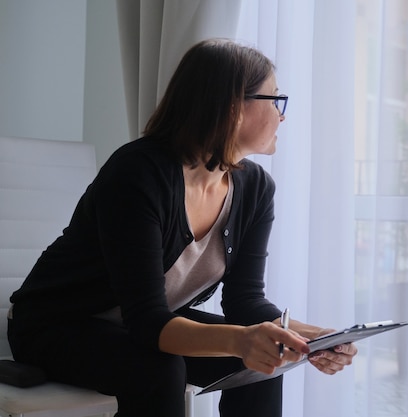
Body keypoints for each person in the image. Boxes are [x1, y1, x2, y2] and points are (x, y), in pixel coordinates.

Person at [7, 38, 357, 417]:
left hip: (140, 322)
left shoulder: (255, 189)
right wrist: (243, 340)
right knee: (159, 367)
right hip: (56, 326)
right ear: (232, 108)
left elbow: (246, 302)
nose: (282, 115)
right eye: (274, 100)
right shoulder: (139, 173)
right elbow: (147, 321)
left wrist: (311, 338)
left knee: (264, 357)